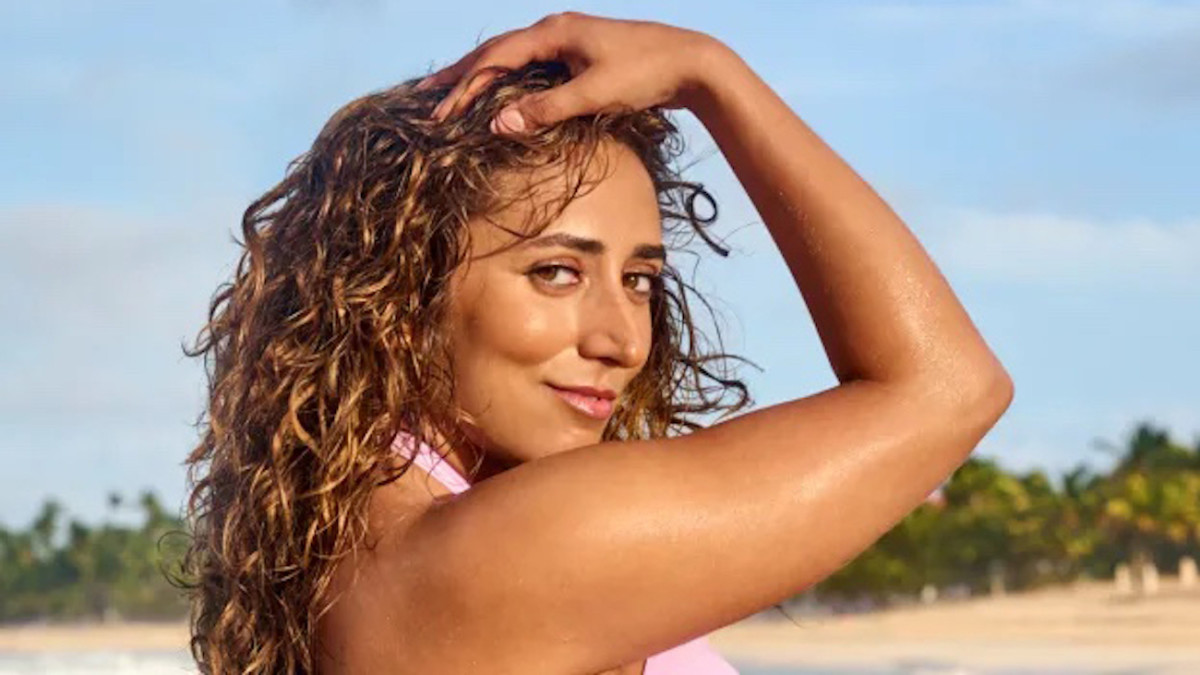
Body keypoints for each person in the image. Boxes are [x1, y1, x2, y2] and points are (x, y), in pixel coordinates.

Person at [182, 11, 1013, 675]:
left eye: (641, 280)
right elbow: (948, 386)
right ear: (400, 297)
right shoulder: (483, 562)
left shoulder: (354, 531)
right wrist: (712, 76)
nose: (621, 339)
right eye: (556, 272)